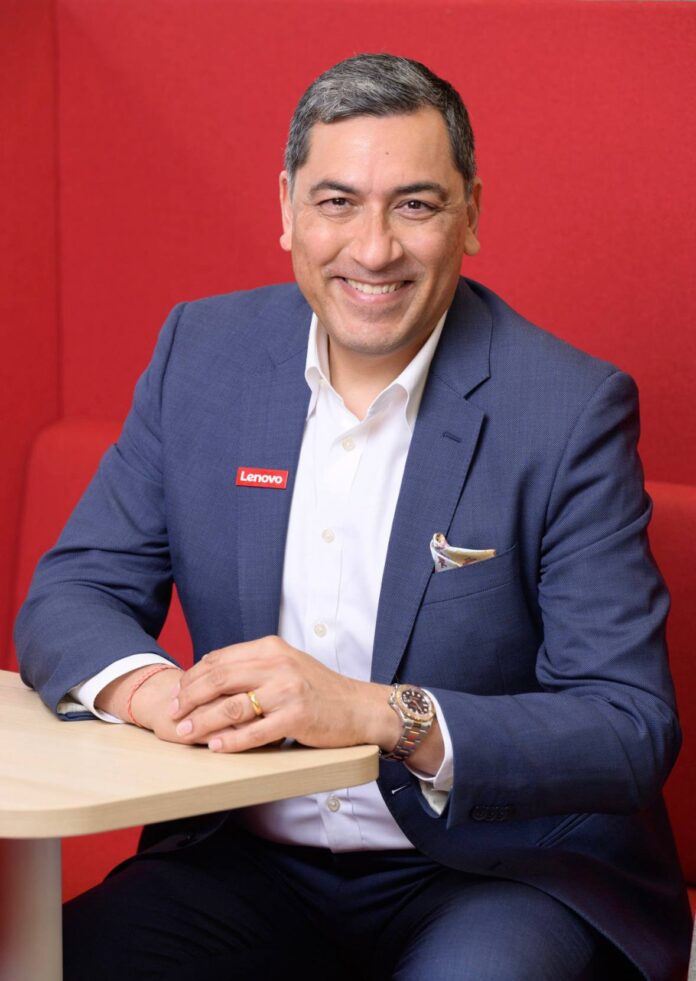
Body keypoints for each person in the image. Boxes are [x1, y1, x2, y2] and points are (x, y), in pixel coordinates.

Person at [15, 53, 691, 980]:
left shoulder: (567, 409)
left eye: (414, 205)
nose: (373, 250)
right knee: (59, 961)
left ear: (471, 215)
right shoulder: (200, 356)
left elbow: (626, 723)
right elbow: (73, 593)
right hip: (243, 861)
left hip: (494, 871)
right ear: (287, 207)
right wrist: (162, 696)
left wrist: (376, 713)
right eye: (337, 202)